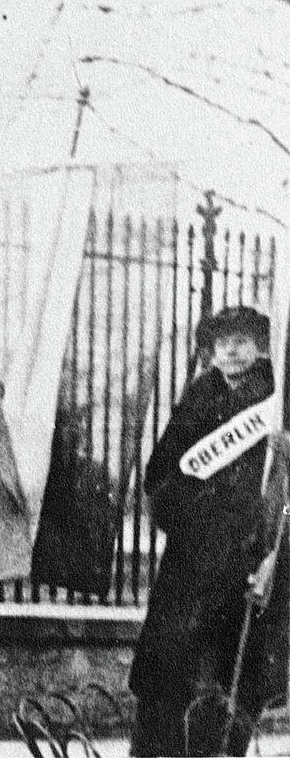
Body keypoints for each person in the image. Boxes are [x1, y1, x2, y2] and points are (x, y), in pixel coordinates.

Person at [129, 305, 290, 756]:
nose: (232, 352)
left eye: (242, 342)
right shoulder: (197, 398)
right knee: (169, 670)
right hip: (192, 557)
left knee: (232, 674)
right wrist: (187, 511)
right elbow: (160, 472)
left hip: (248, 557)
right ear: (211, 352)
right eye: (223, 344)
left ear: (262, 348)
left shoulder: (278, 400)